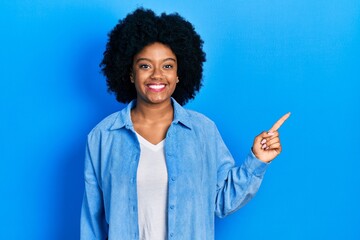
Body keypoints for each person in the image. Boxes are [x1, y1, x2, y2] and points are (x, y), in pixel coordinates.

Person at [80, 8, 290, 240]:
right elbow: (92, 222)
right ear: (130, 73)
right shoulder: (102, 137)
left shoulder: (203, 132)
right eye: (145, 65)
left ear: (180, 74)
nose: (157, 75)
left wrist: (257, 161)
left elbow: (222, 201)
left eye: (167, 66)